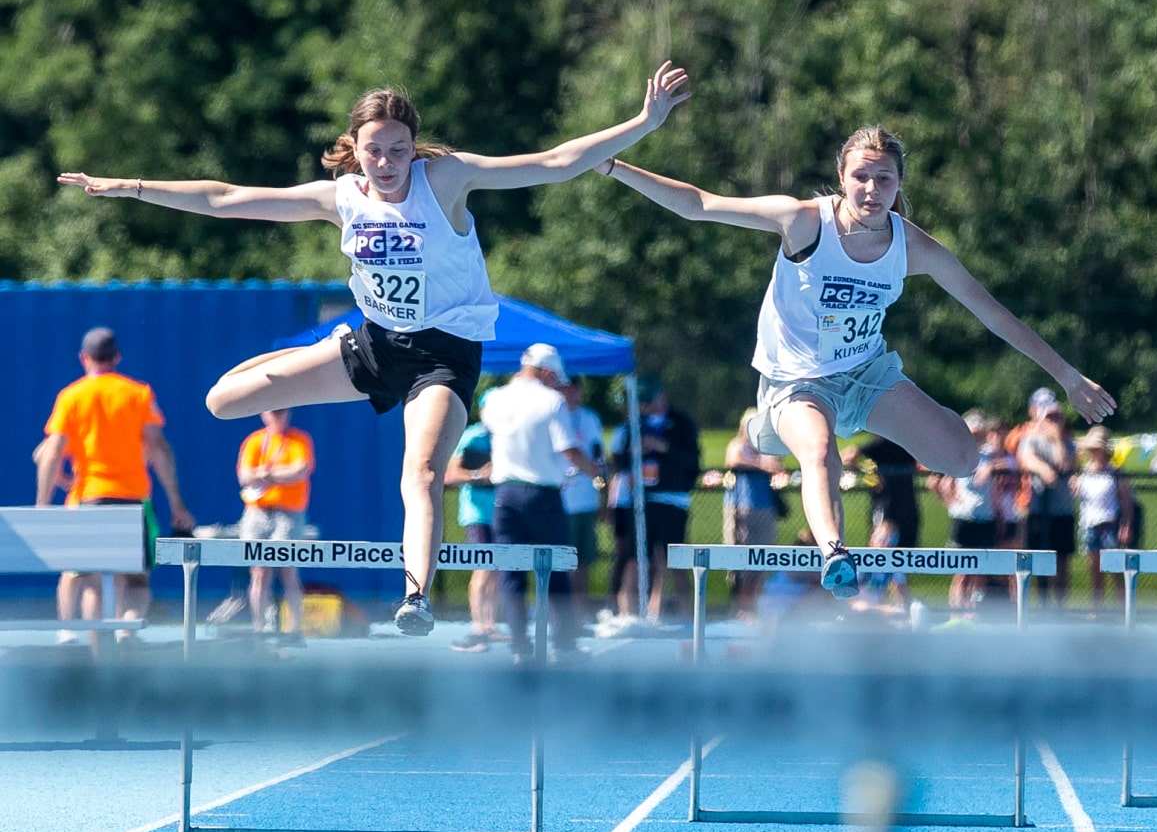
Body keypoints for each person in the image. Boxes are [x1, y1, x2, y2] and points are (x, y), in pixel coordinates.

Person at [60, 64, 689, 634]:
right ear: (354, 152)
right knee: (222, 401)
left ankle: (414, 597)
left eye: (397, 150)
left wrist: (643, 121)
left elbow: (555, 162)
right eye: (373, 151)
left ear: (414, 148)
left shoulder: (445, 179)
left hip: (445, 357)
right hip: (374, 346)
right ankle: (335, 340)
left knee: (420, 471)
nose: (386, 164)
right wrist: (132, 186)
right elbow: (224, 198)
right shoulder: (340, 199)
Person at [601, 125, 1112, 600]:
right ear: (842, 178)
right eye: (861, 177)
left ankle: (816, 440)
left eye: (883, 179)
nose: (871, 188)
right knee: (819, 447)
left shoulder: (912, 245)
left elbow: (993, 313)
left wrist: (1066, 376)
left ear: (898, 185)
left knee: (962, 457)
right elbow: (700, 204)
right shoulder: (803, 221)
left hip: (868, 376)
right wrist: (613, 166)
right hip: (798, 383)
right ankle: (834, 552)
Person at [31, 327, 196, 632]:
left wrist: (44, 503)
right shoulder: (138, 394)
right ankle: (126, 630)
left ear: (84, 358)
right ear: (117, 357)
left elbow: (49, 453)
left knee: (92, 581)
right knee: (136, 579)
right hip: (133, 499)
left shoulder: (71, 396)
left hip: (89, 498)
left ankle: (97, 652)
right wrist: (177, 503)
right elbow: (158, 448)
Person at [478, 343, 600, 659]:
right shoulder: (552, 401)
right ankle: (563, 643)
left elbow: (492, 430)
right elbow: (568, 449)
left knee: (510, 573)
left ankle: (520, 645)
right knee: (555, 570)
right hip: (543, 495)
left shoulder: (495, 399)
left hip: (504, 495)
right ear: (546, 372)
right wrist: (595, 471)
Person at [608, 378, 702, 620]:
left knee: (676, 560)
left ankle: (687, 616)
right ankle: (627, 614)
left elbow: (692, 462)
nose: (643, 407)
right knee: (635, 559)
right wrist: (633, 454)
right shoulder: (633, 427)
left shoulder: (681, 423)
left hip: (672, 500)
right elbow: (619, 465)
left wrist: (663, 448)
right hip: (640, 501)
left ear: (660, 398)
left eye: (647, 402)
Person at [236, 408, 313, 637]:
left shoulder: (299, 440)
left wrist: (265, 474)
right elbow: (244, 476)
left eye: (283, 413)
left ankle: (294, 629)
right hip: (258, 511)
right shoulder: (255, 441)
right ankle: (259, 628)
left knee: (288, 571)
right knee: (259, 572)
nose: (279, 417)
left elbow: (299, 471)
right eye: (274, 413)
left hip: (288, 513)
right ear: (264, 415)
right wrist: (277, 474)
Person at [936, 410, 1009, 612]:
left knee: (980, 569)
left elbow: (1009, 463)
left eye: (979, 433)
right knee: (962, 571)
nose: (976, 437)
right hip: (965, 518)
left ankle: (972, 612)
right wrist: (952, 502)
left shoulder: (988, 455)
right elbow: (939, 483)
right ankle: (956, 611)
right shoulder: (959, 453)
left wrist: (992, 466)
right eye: (973, 433)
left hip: (985, 518)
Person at [1016, 388, 1080, 602]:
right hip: (1037, 510)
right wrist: (1044, 469)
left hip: (1062, 510)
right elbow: (1026, 458)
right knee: (1036, 559)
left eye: (1056, 416)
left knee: (1062, 561)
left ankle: (1060, 607)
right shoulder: (1031, 439)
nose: (1053, 421)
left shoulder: (1068, 442)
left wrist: (1059, 440)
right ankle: (1040, 604)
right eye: (1049, 416)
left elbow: (1066, 463)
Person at [721, 407, 785, 617]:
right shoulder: (738, 446)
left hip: (765, 507)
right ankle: (740, 608)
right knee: (742, 559)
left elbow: (777, 466)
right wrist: (760, 464)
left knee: (763, 558)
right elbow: (734, 460)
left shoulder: (767, 448)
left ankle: (754, 607)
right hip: (742, 507)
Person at [444, 418, 501, 651]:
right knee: (483, 568)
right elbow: (451, 475)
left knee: (498, 568)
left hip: (502, 510)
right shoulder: (472, 436)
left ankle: (490, 625)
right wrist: (479, 474)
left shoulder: (508, 434)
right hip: (477, 513)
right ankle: (477, 625)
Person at [558, 378, 606, 593]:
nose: (568, 393)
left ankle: (579, 613)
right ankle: (560, 612)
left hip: (585, 499)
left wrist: (603, 496)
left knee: (582, 560)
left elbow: (599, 457)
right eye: (564, 389)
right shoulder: (552, 416)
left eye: (572, 389)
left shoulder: (590, 418)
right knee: (560, 560)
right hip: (558, 501)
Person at [1074, 426, 1126, 609]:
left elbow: (1125, 500)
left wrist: (1125, 525)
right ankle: (1097, 608)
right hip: (1089, 523)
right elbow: (1077, 495)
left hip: (1109, 523)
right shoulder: (1083, 472)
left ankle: (1123, 608)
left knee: (1115, 569)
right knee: (1095, 570)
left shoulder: (1115, 472)